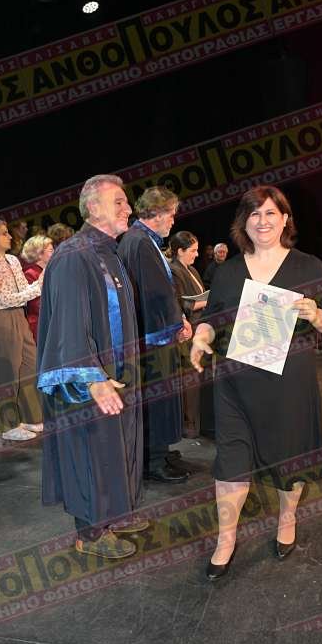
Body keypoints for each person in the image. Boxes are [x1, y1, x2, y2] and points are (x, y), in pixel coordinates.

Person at [190, 186, 322, 580]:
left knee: (290, 455)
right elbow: (213, 318)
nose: (263, 221)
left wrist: (316, 314)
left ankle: (287, 519)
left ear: (285, 219)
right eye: (254, 214)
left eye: (271, 213)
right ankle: (225, 540)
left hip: (289, 382)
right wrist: (201, 337)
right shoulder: (229, 271)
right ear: (244, 222)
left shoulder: (308, 266)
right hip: (235, 382)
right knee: (231, 460)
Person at [37, 174, 146, 559]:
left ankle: (113, 514)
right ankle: (91, 533)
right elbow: (68, 326)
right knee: (91, 452)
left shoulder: (107, 253)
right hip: (87, 381)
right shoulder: (74, 256)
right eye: (119, 202)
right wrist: (92, 378)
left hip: (115, 373)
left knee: (114, 448)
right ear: (93, 207)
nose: (128, 208)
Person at [118, 187, 192, 484]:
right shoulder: (140, 242)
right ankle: (154, 459)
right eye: (171, 214)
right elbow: (157, 294)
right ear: (158, 213)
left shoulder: (139, 239)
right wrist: (179, 323)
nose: (173, 220)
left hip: (149, 332)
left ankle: (159, 451)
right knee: (157, 397)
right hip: (153, 336)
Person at [0, 219, 44, 441]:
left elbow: (23, 291)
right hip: (2, 318)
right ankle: (8, 424)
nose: (10, 236)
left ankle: (29, 416)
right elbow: (5, 298)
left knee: (30, 364)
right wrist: (38, 287)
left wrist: (37, 285)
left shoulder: (13, 260)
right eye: (4, 233)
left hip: (19, 314)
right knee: (8, 371)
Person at [169, 231, 207, 438]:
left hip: (199, 330)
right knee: (189, 379)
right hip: (188, 332)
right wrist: (207, 300)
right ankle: (188, 424)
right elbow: (181, 303)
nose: (197, 254)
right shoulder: (174, 271)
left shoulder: (191, 269)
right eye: (192, 250)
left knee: (196, 378)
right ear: (180, 251)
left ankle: (196, 422)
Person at [21, 235, 54, 341]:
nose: (55, 253)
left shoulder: (50, 272)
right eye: (51, 250)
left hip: (51, 321)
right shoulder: (30, 274)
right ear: (39, 254)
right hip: (40, 325)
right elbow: (36, 305)